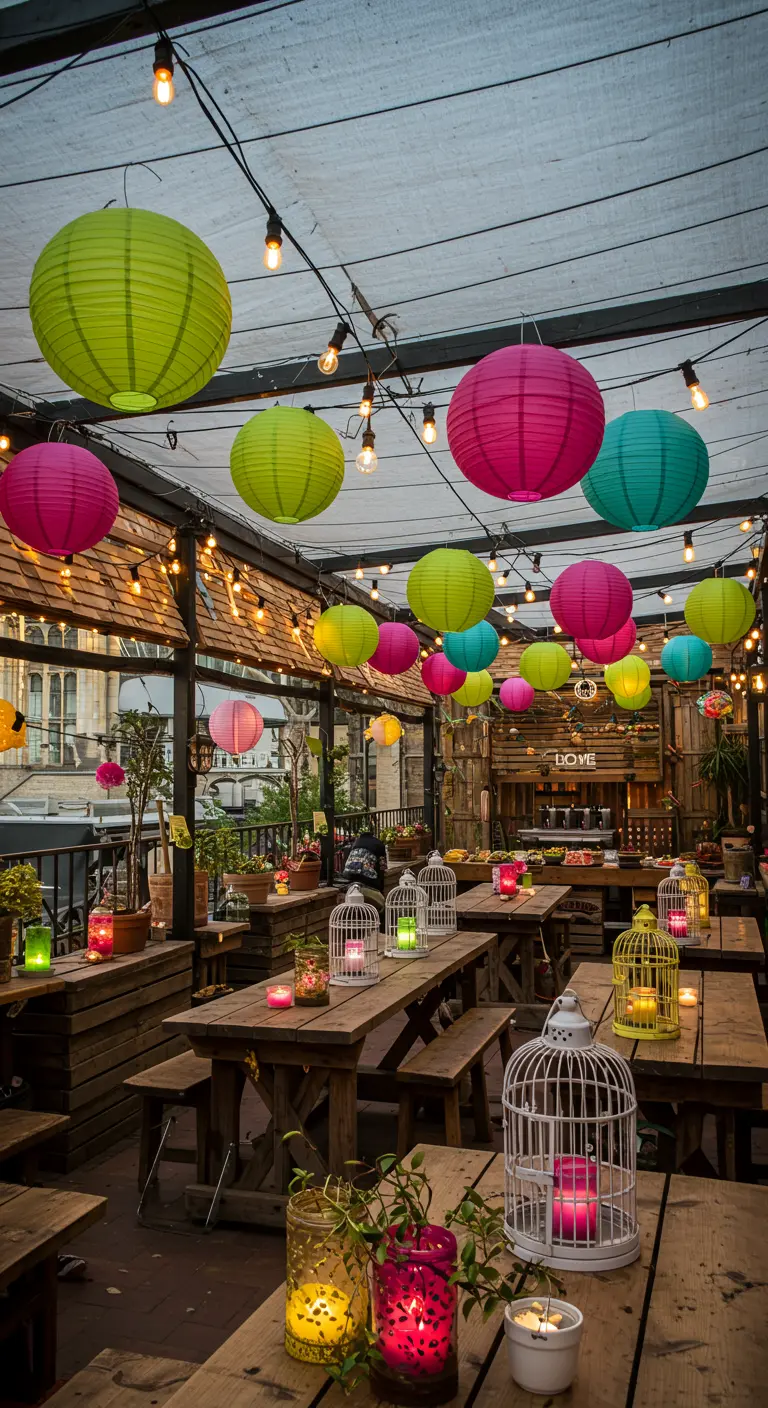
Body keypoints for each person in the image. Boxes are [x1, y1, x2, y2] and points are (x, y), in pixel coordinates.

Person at [339, 827, 387, 911]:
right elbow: (382, 867)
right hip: (367, 878)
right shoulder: (378, 843)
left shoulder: (355, 843)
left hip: (348, 876)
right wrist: (381, 889)